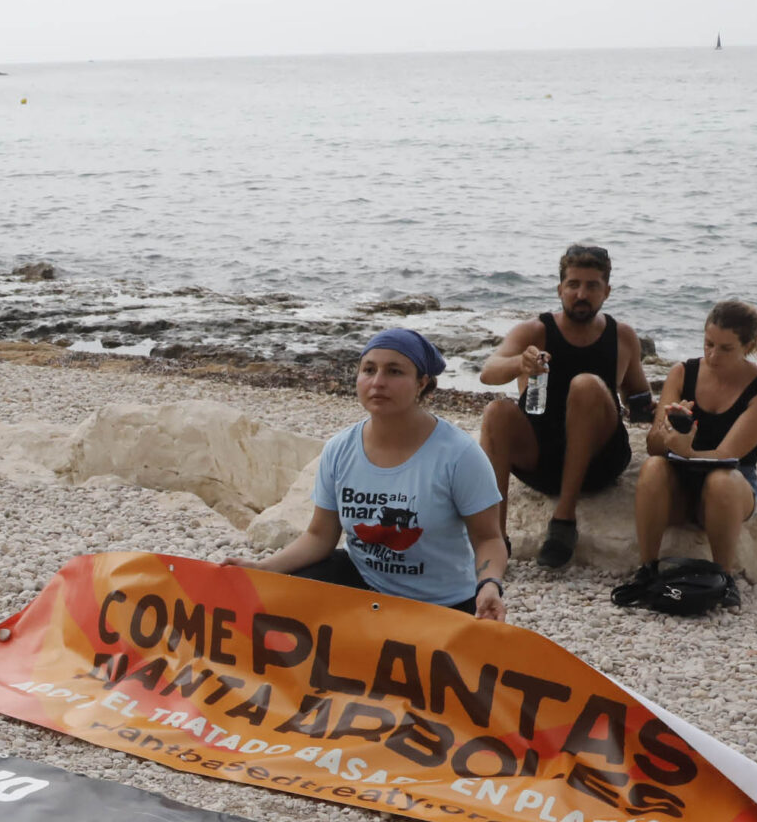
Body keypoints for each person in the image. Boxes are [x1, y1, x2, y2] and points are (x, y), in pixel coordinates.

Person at [232, 329, 509, 621]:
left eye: (394, 371)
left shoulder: (459, 455)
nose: (378, 382)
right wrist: (261, 570)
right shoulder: (340, 449)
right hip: (365, 587)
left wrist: (489, 585)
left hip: (441, 604)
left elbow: (489, 538)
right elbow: (319, 536)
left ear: (421, 383)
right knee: (281, 598)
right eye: (369, 370)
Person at [477, 243, 653, 568]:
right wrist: (521, 363)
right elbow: (488, 373)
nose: (581, 294)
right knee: (496, 411)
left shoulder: (623, 336)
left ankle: (564, 520)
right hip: (541, 462)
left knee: (585, 385)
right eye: (573, 285)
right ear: (560, 289)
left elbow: (640, 399)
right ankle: (494, 539)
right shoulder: (535, 331)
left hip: (599, 462)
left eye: (591, 286)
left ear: (607, 291)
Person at [632, 299, 757, 581]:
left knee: (720, 480)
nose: (713, 356)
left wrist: (686, 450)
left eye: (726, 349)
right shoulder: (683, 372)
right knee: (653, 467)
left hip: (731, 488)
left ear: (748, 347)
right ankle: (647, 569)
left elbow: (728, 455)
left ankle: (722, 577)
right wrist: (669, 432)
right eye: (708, 344)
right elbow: (653, 447)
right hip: (679, 485)